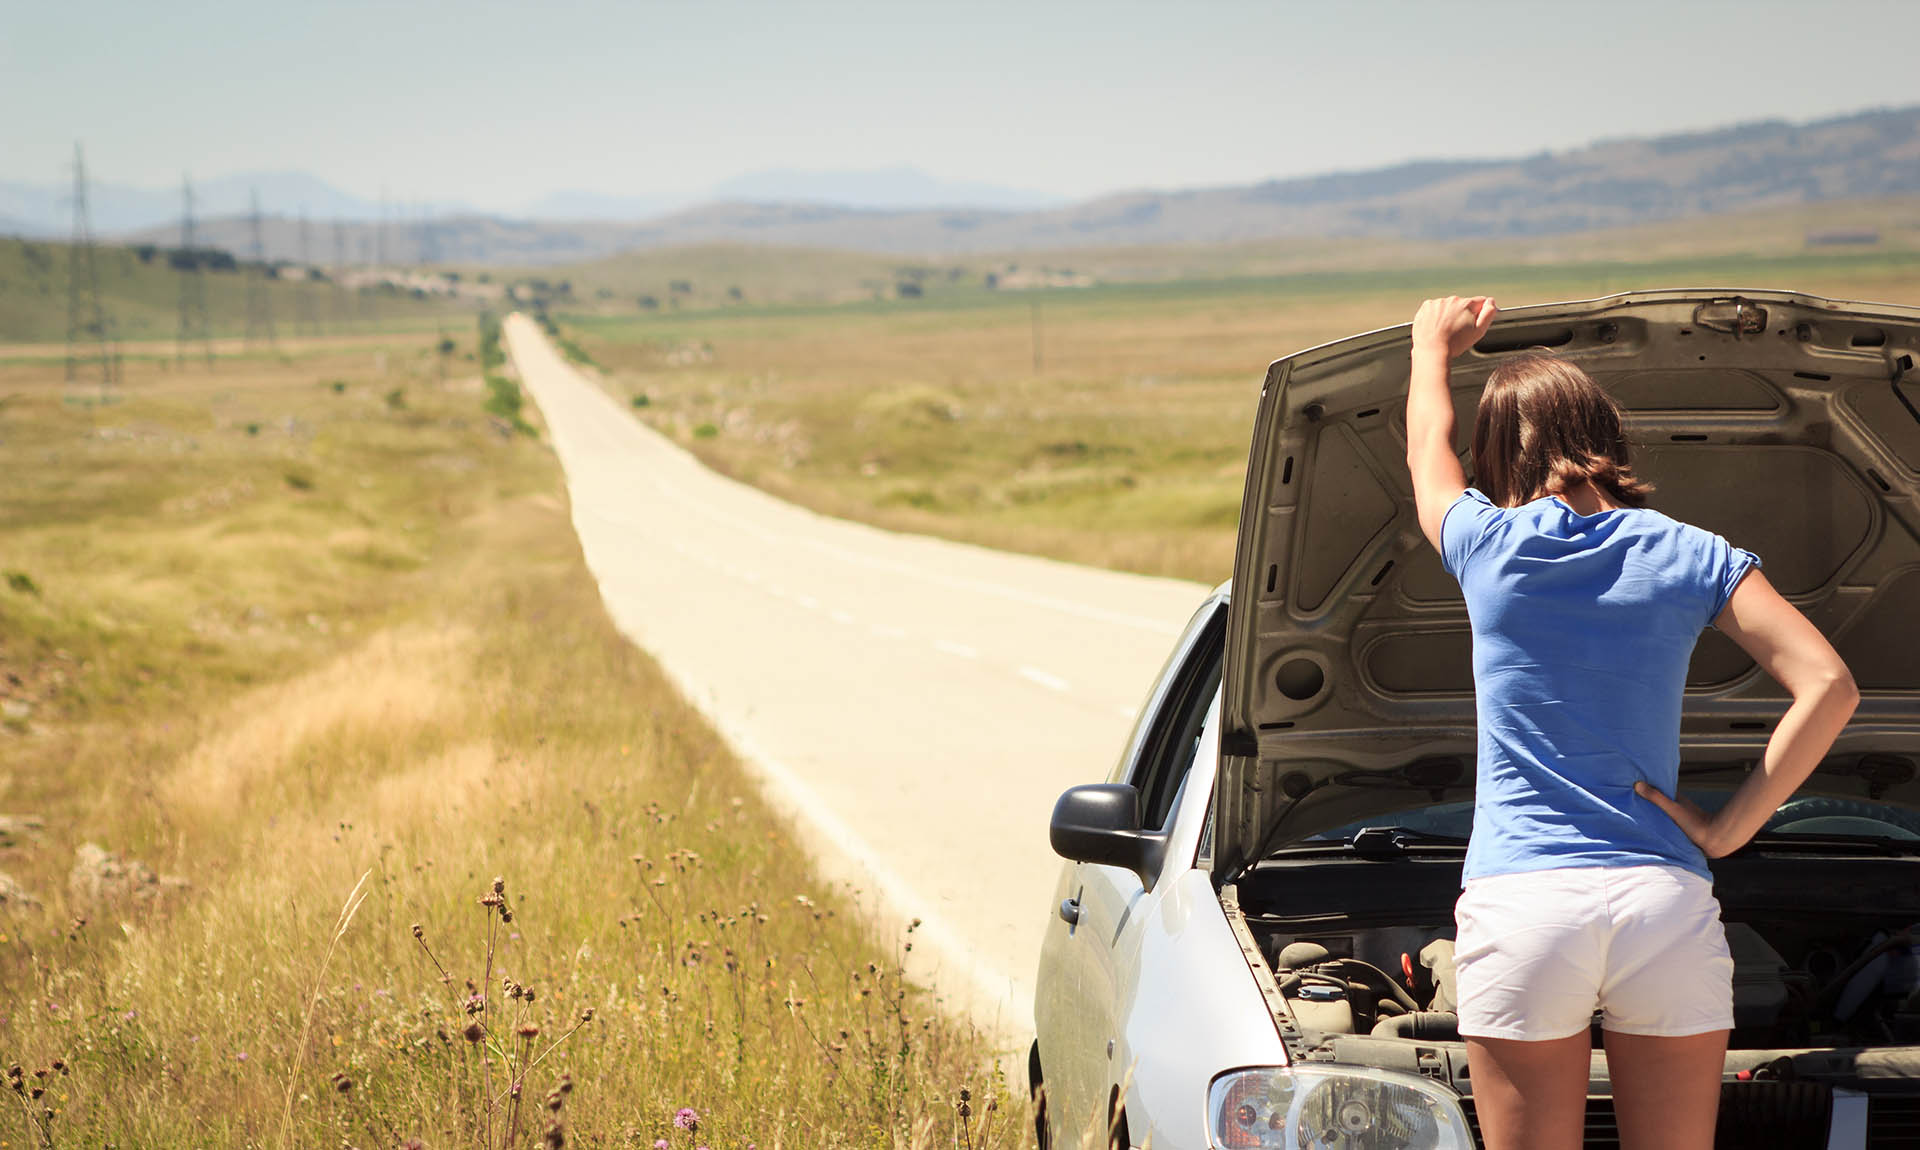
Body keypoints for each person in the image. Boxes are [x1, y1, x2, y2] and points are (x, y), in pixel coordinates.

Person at [1403, 296, 1859, 1150]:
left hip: (1527, 903)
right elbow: (1830, 686)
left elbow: (1426, 448)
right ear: (1607, 433)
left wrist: (1431, 348)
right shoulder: (1693, 551)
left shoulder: (1488, 545)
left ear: (1500, 452)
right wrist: (1726, 831)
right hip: (1663, 901)